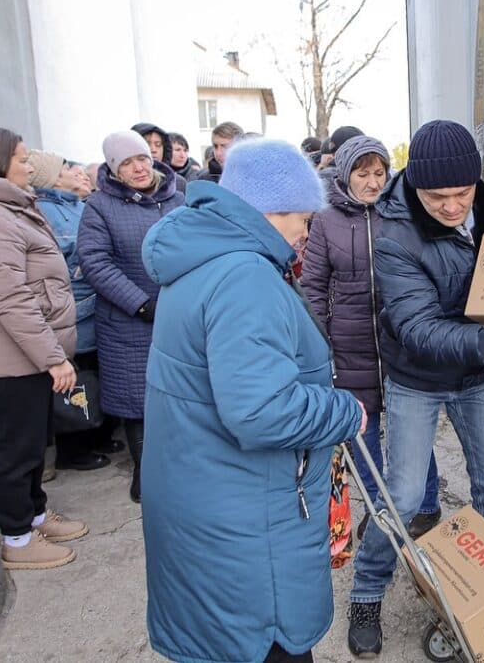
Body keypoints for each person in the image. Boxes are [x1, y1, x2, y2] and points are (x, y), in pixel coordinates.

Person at [346, 120, 484, 657]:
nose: (451, 207)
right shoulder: (393, 234)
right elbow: (418, 330)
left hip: (475, 378)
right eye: (436, 196)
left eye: (461, 193)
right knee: (399, 498)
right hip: (417, 380)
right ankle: (366, 591)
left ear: (477, 180)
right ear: (414, 186)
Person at [141, 138, 365, 663]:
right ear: (273, 207)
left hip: (205, 502)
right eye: (303, 217)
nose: (307, 232)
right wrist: (342, 411)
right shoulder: (245, 276)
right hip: (245, 525)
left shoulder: (205, 258)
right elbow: (260, 411)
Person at [302, 135, 443, 541]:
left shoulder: (401, 214)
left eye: (379, 172)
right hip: (350, 344)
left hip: (399, 340)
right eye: (363, 173)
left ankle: (427, 504)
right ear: (346, 174)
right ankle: (381, 507)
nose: (373, 181)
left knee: (410, 432)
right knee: (362, 432)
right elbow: (313, 284)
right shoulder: (326, 219)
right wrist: (320, 340)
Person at [0, 125, 88, 569]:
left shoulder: (6, 207)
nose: (29, 165)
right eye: (21, 158)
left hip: (25, 352)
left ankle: (34, 514)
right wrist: (52, 357)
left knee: (32, 442)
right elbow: (9, 298)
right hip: (8, 356)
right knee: (14, 449)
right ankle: (16, 539)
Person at [78, 130, 184, 503]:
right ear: (113, 170)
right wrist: (140, 304)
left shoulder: (177, 199)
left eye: (141, 158)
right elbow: (95, 261)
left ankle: (181, 473)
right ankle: (146, 479)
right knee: (138, 403)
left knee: (180, 397)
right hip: (129, 322)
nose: (138, 167)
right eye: (127, 163)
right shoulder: (100, 207)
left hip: (178, 316)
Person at [29, 150, 124, 471]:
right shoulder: (45, 212)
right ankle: (74, 450)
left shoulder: (77, 207)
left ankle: (95, 436)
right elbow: (66, 266)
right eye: (68, 168)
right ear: (53, 176)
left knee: (92, 379)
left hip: (93, 309)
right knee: (75, 385)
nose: (77, 172)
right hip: (73, 311)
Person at [132, 123, 187, 194]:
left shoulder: (177, 182)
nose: (153, 150)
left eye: (158, 144)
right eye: (147, 144)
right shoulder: (123, 183)